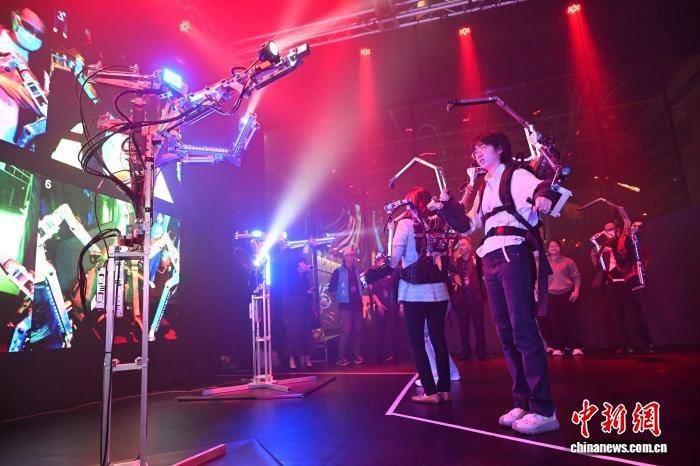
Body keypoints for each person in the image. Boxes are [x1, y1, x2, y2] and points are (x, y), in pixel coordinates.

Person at [435, 131, 559, 434]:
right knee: (505, 333)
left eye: (482, 148)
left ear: (500, 149)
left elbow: (543, 186)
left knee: (523, 330)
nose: (477, 154)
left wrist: (544, 195)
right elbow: (469, 224)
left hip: (513, 252)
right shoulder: (484, 187)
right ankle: (522, 402)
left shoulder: (516, 175)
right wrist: (447, 207)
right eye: (474, 150)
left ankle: (544, 409)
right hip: (490, 257)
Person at [391, 186, 451, 404]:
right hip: (440, 292)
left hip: (414, 293)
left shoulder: (405, 224)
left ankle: (430, 392)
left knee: (417, 343)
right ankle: (445, 390)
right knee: (439, 341)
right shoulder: (438, 222)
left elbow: (393, 259)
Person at [590, 221, 653, 354]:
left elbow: (636, 251)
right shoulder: (603, 247)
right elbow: (597, 264)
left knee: (636, 313)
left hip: (628, 280)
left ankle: (647, 343)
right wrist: (596, 252)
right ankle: (625, 345)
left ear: (617, 229)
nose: (608, 232)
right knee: (618, 316)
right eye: (606, 230)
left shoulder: (625, 241)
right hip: (614, 282)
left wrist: (633, 229)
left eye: (611, 229)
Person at [0, 8, 45, 144]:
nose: (33, 36)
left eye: (38, 34)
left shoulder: (37, 65)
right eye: (29, 28)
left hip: (7, 139)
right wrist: (4, 82)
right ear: (15, 18)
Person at [452, 236, 487, 361]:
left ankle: (481, 352)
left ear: (469, 246)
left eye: (463, 245)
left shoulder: (477, 259)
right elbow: (453, 277)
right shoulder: (456, 262)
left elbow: (484, 274)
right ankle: (465, 351)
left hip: (475, 296)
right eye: (459, 245)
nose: (461, 247)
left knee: (479, 325)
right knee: (463, 327)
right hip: (462, 298)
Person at [329, 246, 365, 366]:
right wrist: (340, 299)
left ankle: (356, 355)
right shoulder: (338, 272)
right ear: (345, 257)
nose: (353, 257)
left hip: (357, 304)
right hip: (345, 306)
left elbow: (362, 285)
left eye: (354, 255)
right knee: (347, 331)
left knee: (358, 331)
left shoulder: (357, 271)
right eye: (351, 255)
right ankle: (341, 357)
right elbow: (332, 289)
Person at [546, 240, 583, 356]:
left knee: (571, 321)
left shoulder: (568, 261)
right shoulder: (543, 262)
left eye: (556, 246)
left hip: (567, 294)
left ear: (560, 248)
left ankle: (576, 347)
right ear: (548, 249)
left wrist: (576, 291)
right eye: (551, 246)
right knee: (554, 322)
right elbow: (538, 277)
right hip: (551, 295)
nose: (553, 248)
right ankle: (557, 348)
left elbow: (577, 277)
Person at [367, 255, 399, 363]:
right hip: (379, 304)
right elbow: (371, 291)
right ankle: (377, 355)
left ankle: (392, 355)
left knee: (391, 329)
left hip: (391, 304)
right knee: (378, 330)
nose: (379, 262)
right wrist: (379, 304)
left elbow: (396, 287)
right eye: (377, 260)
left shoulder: (391, 271)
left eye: (381, 260)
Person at [285, 258, 315, 369]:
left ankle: (307, 358)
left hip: (304, 306)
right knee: (294, 331)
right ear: (298, 267)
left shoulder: (305, 278)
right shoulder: (292, 277)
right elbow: (292, 290)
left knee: (306, 331)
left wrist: (310, 292)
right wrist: (306, 291)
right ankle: (292, 359)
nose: (305, 266)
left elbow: (307, 292)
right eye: (302, 265)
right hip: (295, 306)